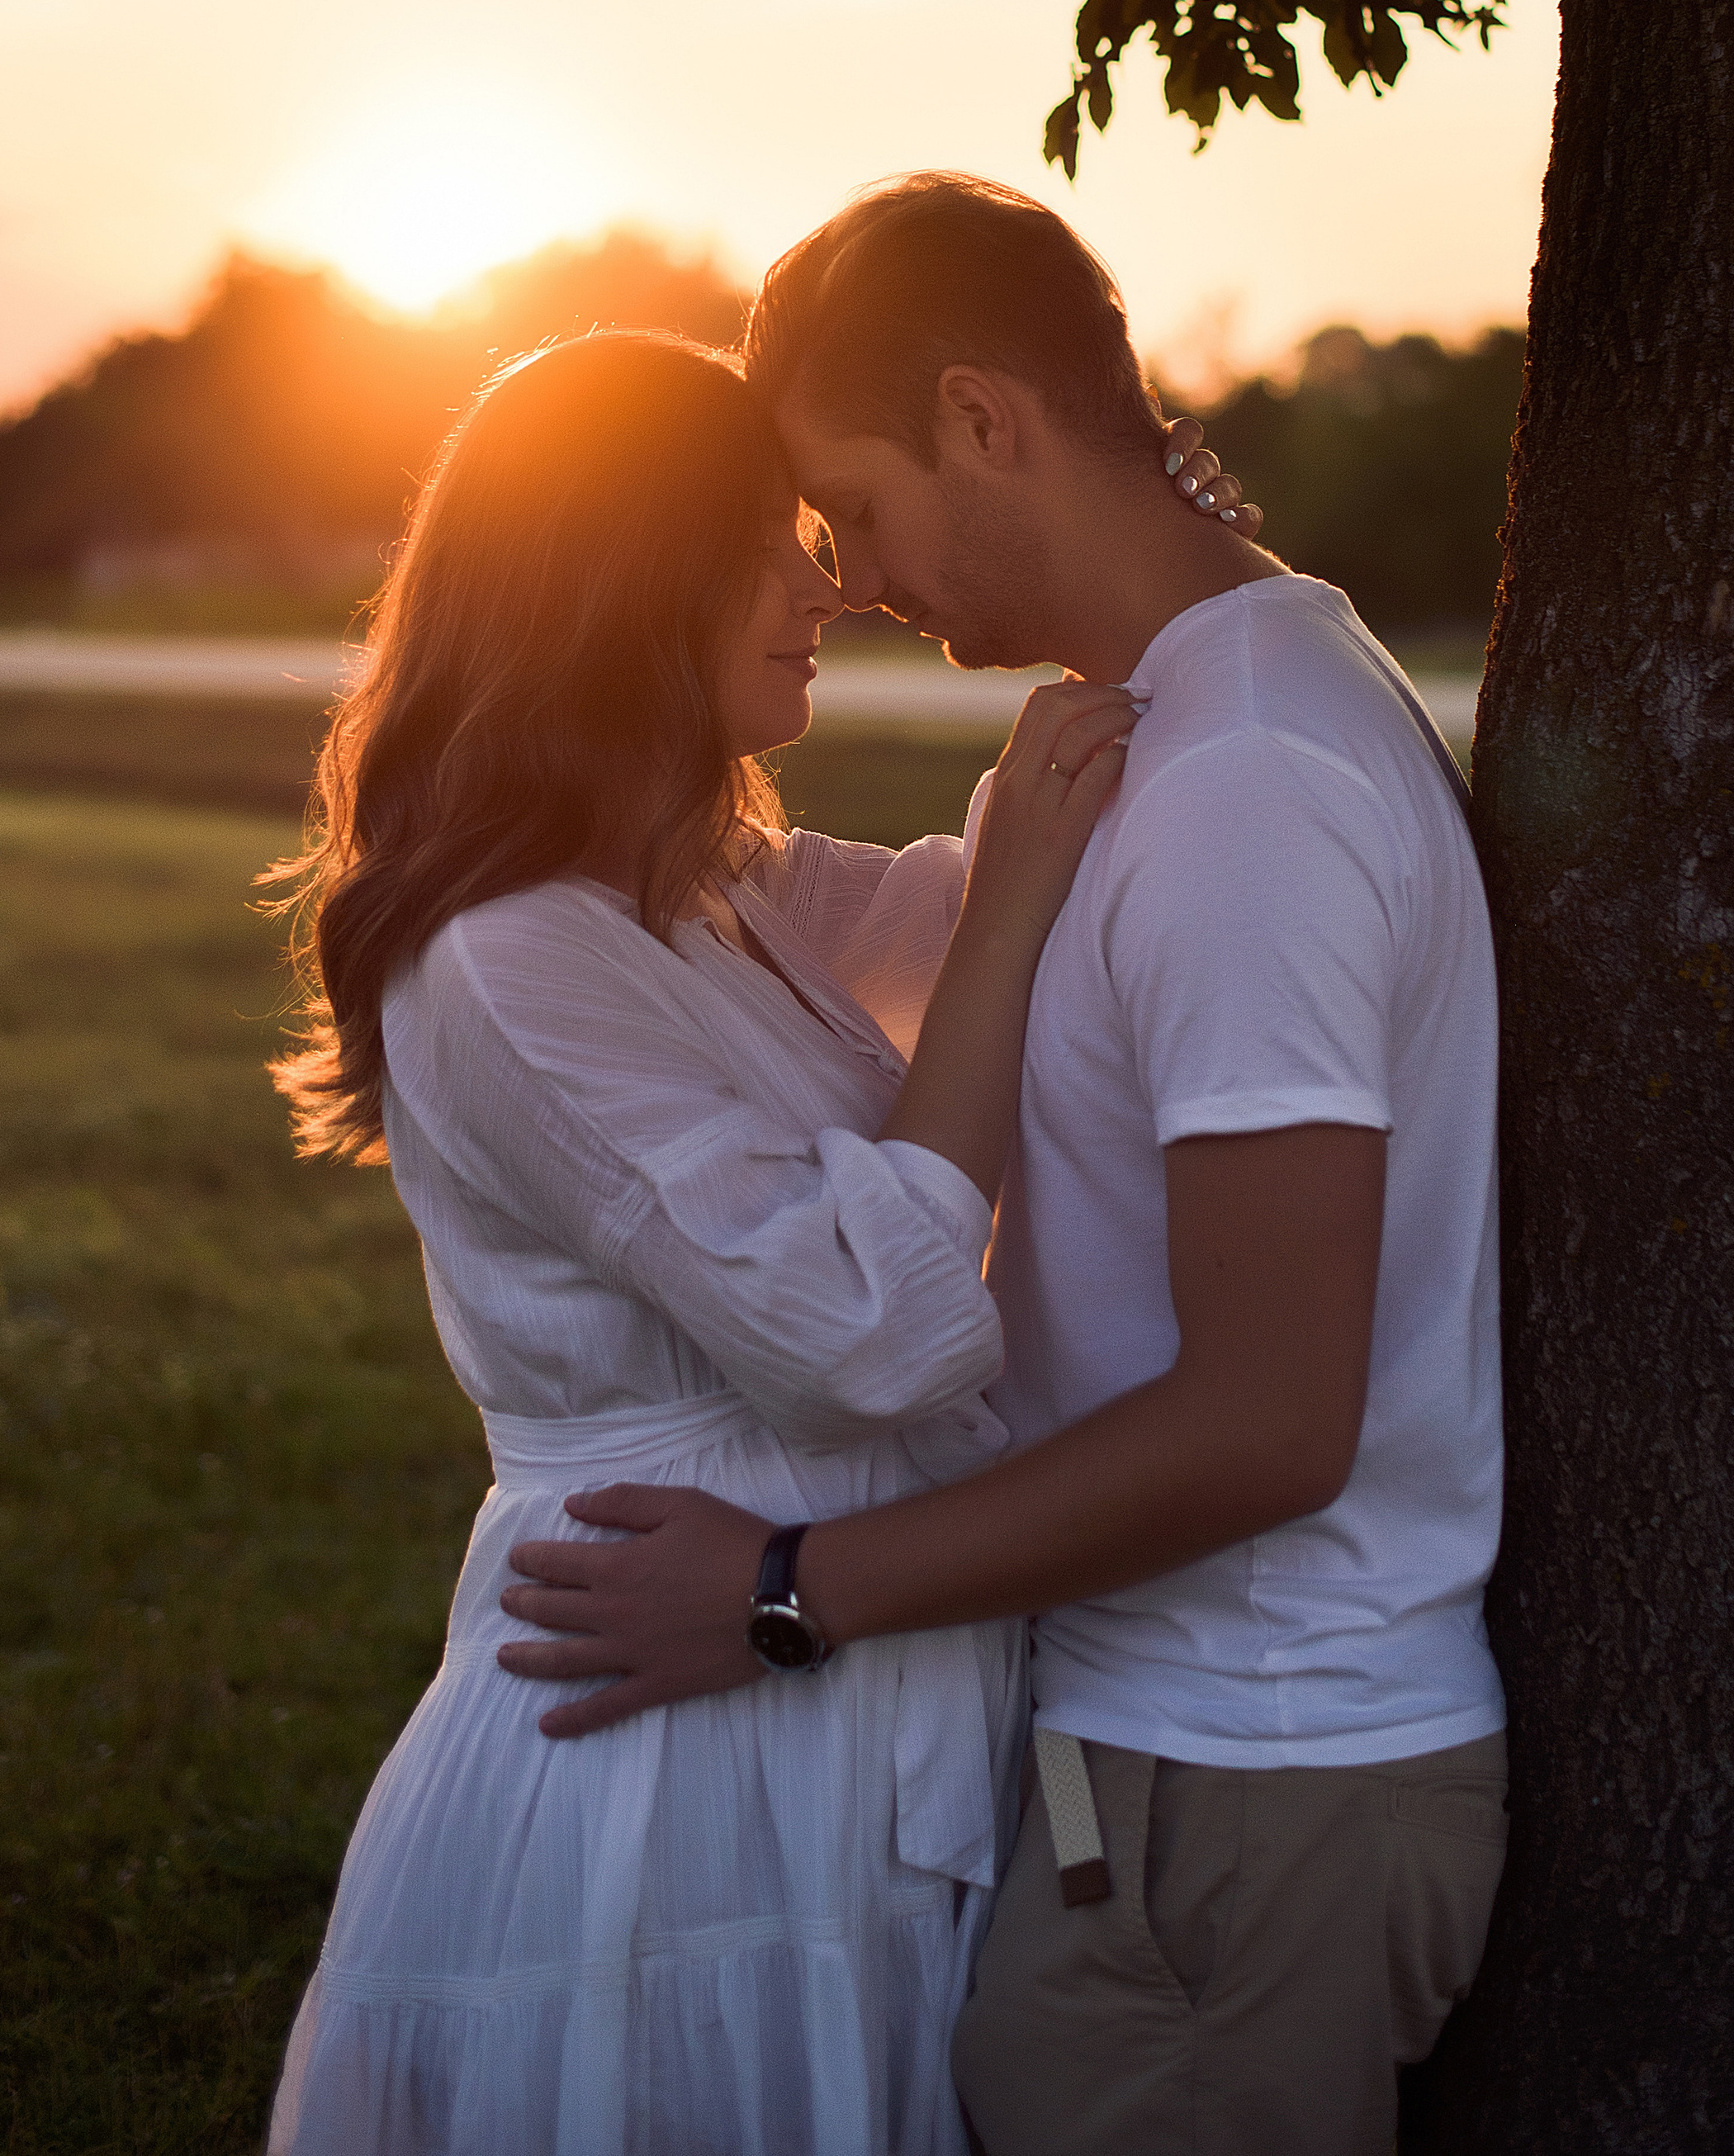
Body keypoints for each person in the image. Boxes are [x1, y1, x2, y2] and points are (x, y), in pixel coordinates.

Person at [497, 177, 1509, 2156]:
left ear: (980, 418)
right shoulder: (1191, 709)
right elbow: (822, 920)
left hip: (1249, 1782)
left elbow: (1268, 1421)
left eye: (853, 509)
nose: (852, 574)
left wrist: (786, 1592)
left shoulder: (1243, 792)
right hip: (1168, 1763)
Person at [260, 323, 1240, 2156]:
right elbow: (868, 1324)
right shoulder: (505, 957)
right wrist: (1019, 883)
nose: (823, 584)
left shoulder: (718, 898)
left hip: (815, 1689)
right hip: (663, 1753)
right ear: (623, 579)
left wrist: (1204, 655)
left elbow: (986, 905)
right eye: (766, 540)